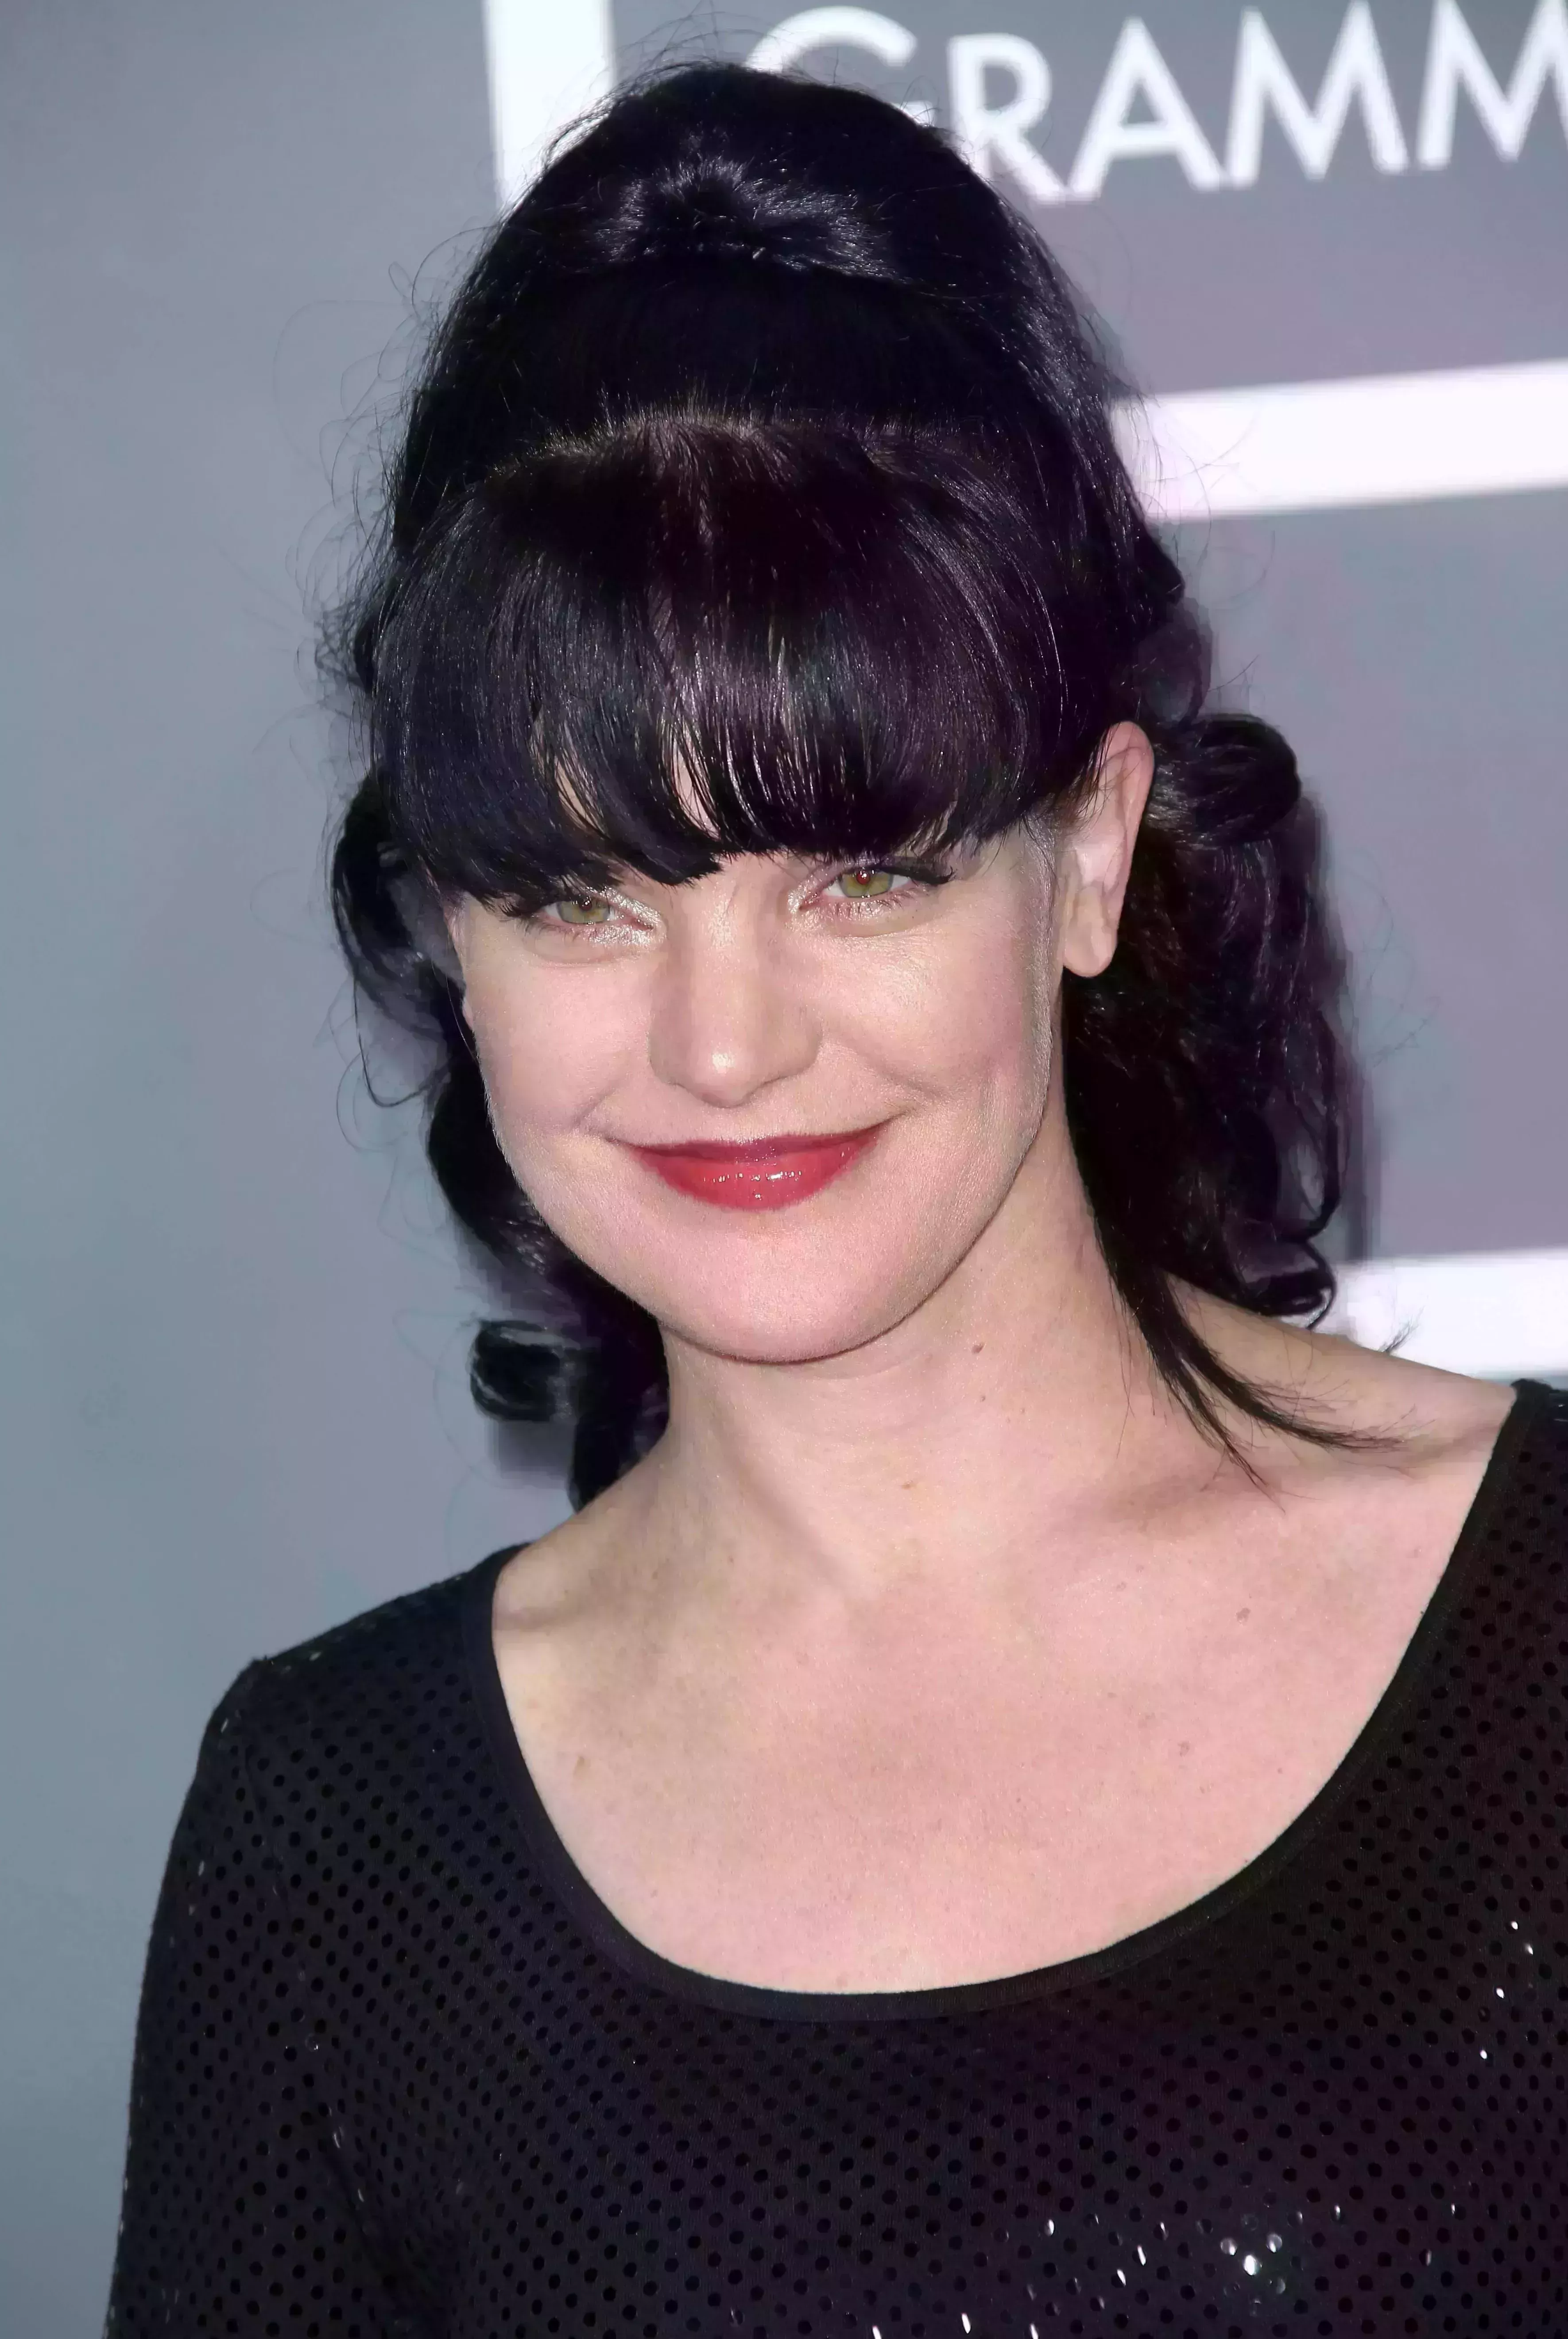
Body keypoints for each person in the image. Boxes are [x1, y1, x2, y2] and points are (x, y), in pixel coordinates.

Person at [106, 60, 1566, 2339]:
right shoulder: (335, 1844)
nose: (723, 1047)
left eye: (860, 872)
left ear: (1088, 853)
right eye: (582, 894)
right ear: (452, 934)